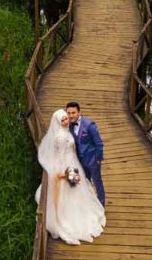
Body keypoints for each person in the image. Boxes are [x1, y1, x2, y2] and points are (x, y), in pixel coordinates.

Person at [35, 108, 105, 245]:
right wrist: (64, 172)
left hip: (73, 163)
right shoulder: (60, 137)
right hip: (67, 167)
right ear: (57, 122)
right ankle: (70, 218)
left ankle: (83, 211)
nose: (66, 121)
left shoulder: (67, 130)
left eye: (66, 118)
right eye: (63, 120)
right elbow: (60, 156)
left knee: (78, 188)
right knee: (70, 191)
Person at [65, 102, 105, 205]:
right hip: (79, 161)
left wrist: (98, 159)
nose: (71, 115)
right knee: (83, 182)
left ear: (79, 112)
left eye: (73, 113)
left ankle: (101, 204)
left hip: (92, 160)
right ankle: (88, 203)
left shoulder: (89, 125)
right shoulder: (69, 125)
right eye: (69, 113)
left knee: (97, 182)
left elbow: (99, 143)